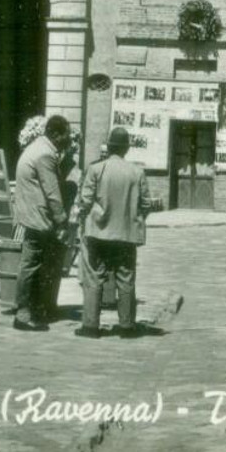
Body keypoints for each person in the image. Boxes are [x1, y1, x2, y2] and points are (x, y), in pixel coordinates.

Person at [76, 125, 152, 339]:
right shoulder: (137, 172)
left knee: (94, 278)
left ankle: (90, 326)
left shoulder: (96, 169)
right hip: (126, 235)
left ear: (109, 147)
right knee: (126, 278)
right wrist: (133, 219)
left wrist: (82, 219)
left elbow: (85, 202)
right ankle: (127, 327)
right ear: (127, 149)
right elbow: (146, 204)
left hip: (98, 233)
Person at [12, 113, 74, 331]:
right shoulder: (45, 154)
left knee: (33, 263)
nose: (68, 139)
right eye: (66, 135)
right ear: (56, 134)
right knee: (31, 264)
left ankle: (33, 309)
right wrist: (62, 220)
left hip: (31, 214)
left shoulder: (38, 147)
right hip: (38, 216)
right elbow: (52, 191)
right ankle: (23, 313)